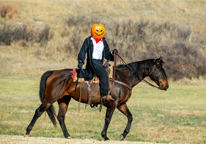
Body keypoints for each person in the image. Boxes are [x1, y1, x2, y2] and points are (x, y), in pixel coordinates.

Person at [77, 23, 118, 102]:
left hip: (99, 62)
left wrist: (113, 53)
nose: (99, 32)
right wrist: (80, 61)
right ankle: (104, 95)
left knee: (108, 72)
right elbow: (82, 51)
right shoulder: (88, 40)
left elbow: (107, 54)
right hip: (92, 62)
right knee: (104, 73)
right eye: (97, 30)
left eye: (101, 31)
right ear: (93, 31)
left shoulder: (103, 42)